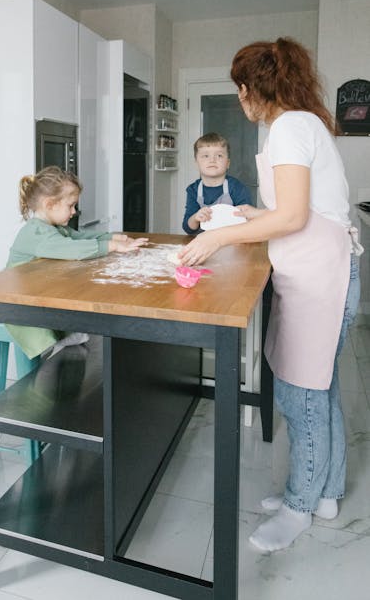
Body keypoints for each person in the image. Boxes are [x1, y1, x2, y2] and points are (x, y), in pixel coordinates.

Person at [178, 37, 362, 552]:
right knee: (318, 387)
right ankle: (324, 494)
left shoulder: (287, 127)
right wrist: (248, 216)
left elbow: (294, 217)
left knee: (300, 394)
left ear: (251, 88)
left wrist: (215, 236)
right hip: (324, 268)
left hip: (319, 275)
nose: (240, 98)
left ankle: (300, 507)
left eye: (240, 88)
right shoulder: (304, 124)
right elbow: (303, 210)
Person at [5, 166, 148, 361]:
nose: (74, 212)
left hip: (38, 293)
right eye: (70, 205)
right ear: (49, 204)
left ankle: (66, 348)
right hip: (17, 303)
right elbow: (73, 248)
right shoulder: (36, 233)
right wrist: (111, 246)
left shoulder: (53, 227)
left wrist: (114, 237)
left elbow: (80, 237)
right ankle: (48, 366)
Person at [182, 132, 252, 234]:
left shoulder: (237, 188)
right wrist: (196, 217)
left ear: (227, 163)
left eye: (219, 155)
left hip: (232, 241)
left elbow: (249, 222)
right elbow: (188, 228)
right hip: (203, 243)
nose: (212, 160)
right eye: (205, 156)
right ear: (197, 163)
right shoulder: (193, 190)